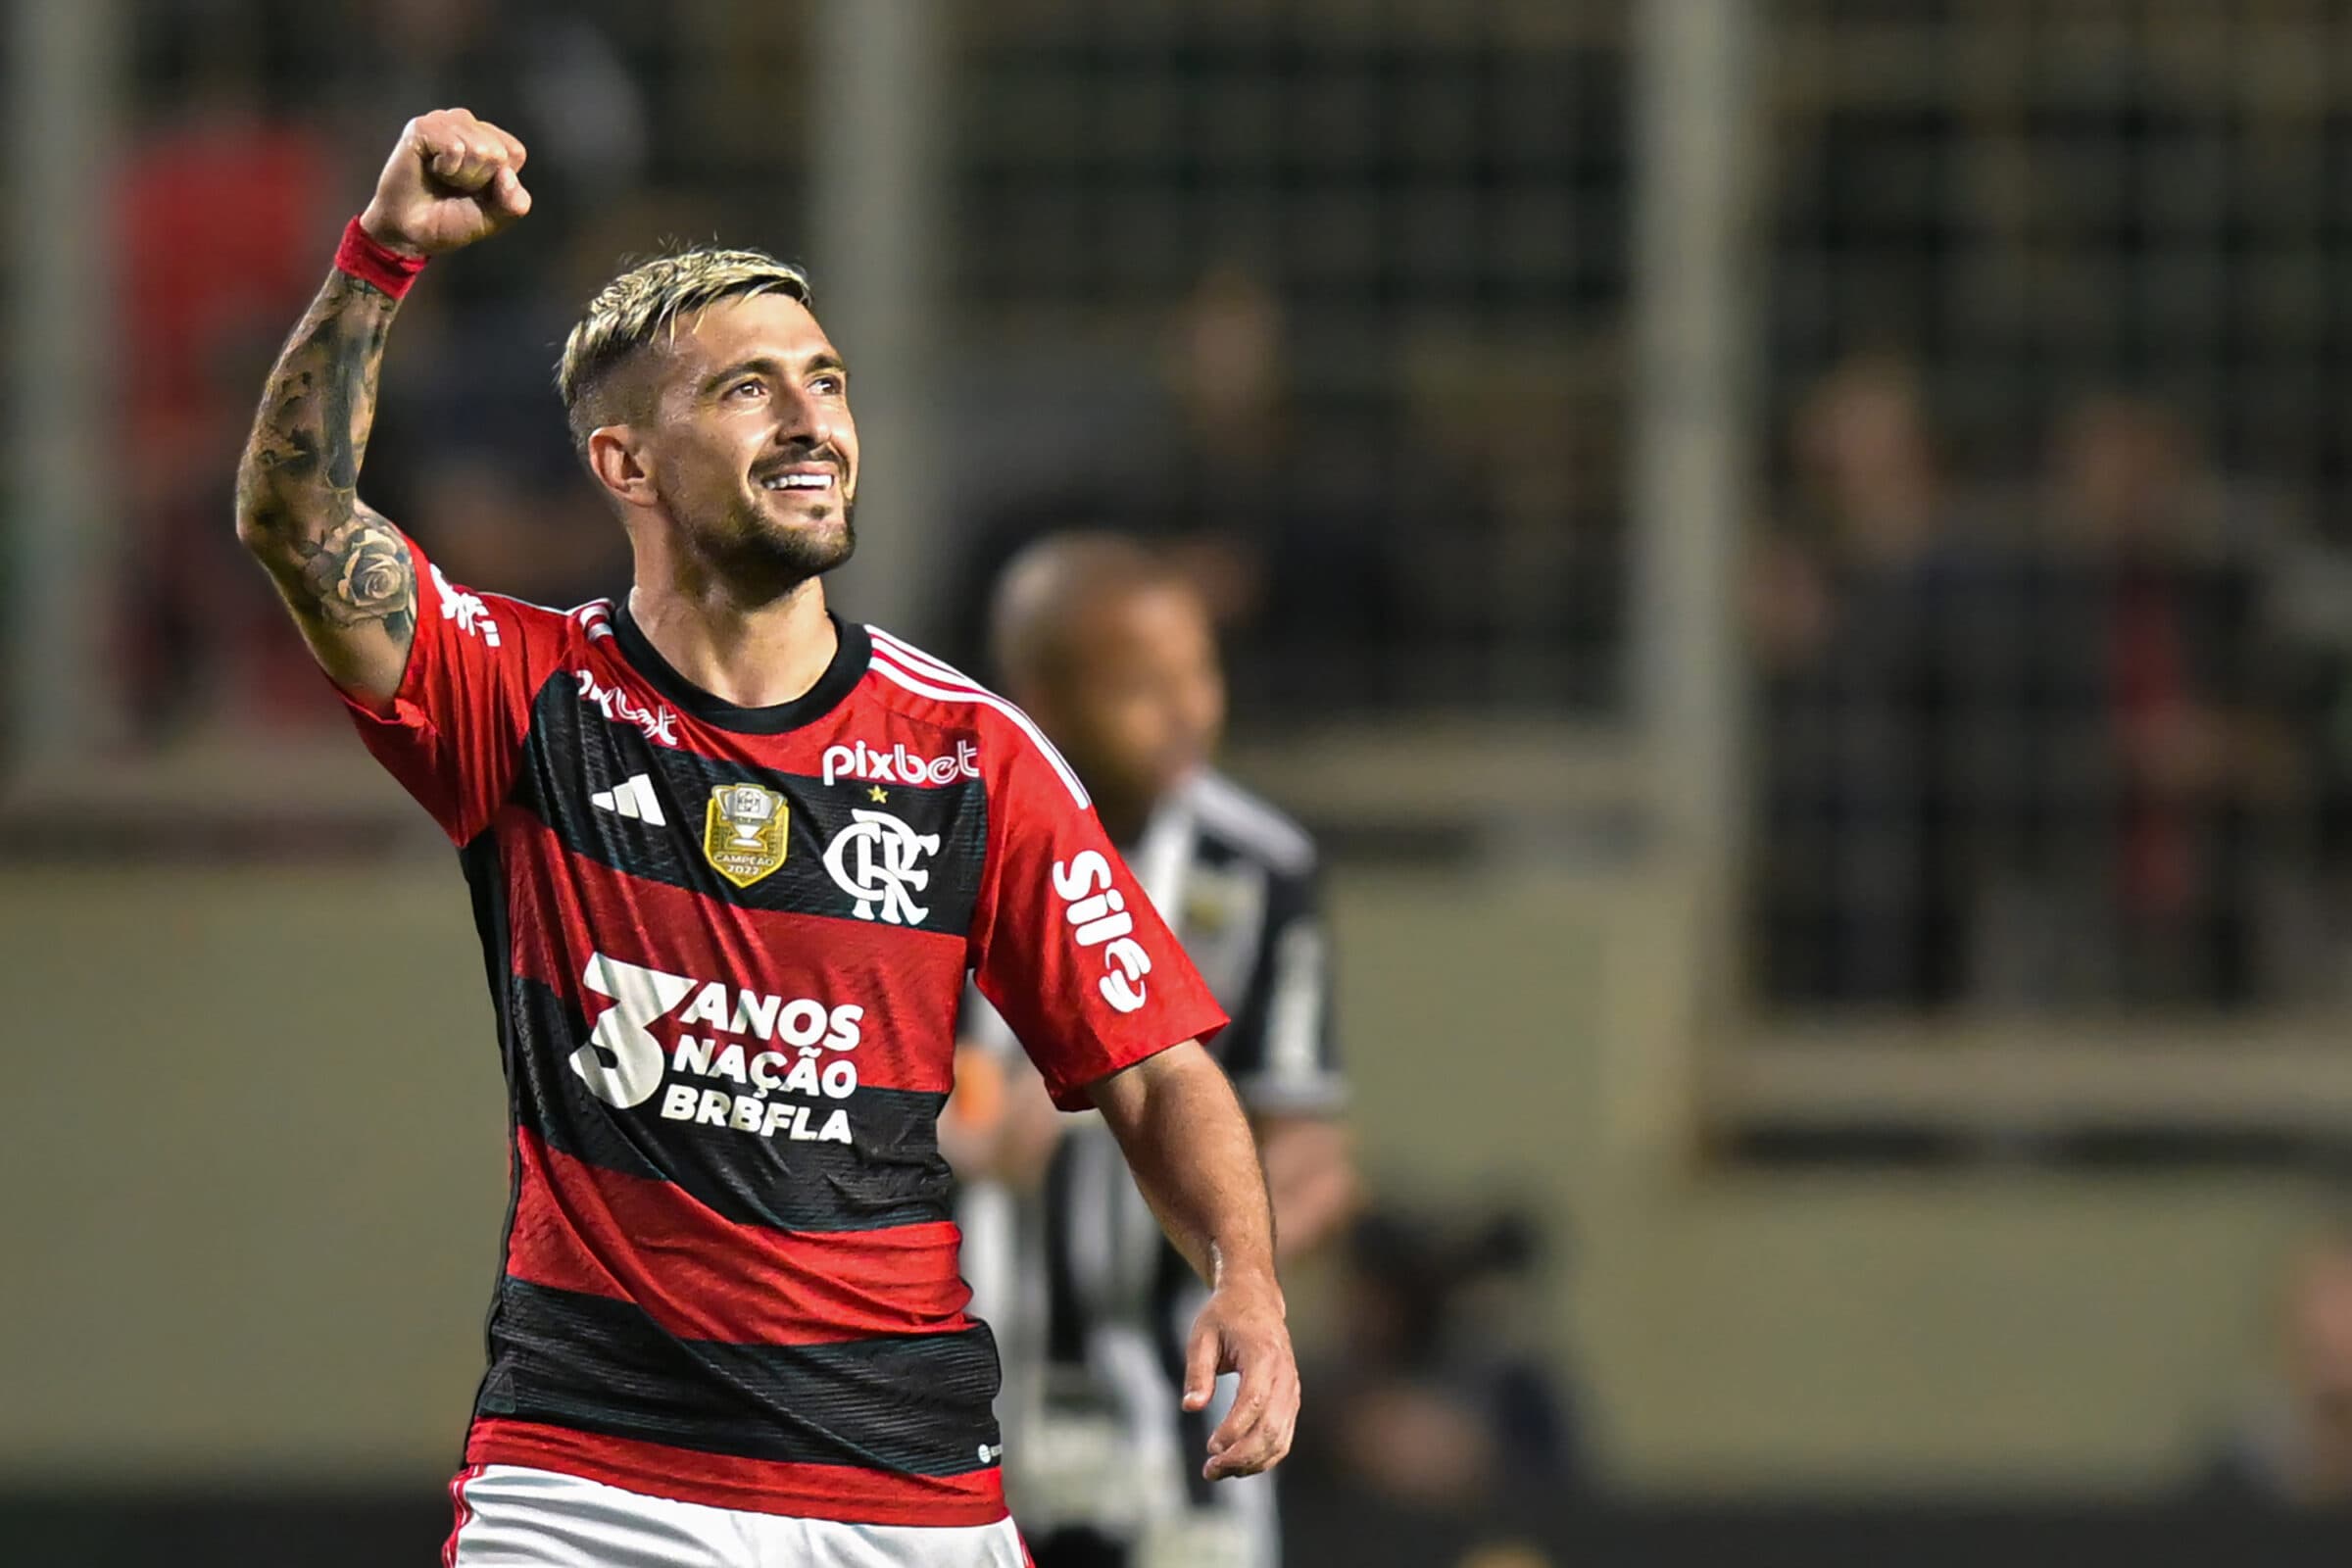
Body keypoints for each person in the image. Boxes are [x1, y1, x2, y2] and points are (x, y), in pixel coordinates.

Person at [232, 108, 1298, 1568]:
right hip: (592, 1486)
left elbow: (1158, 1066)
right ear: (626, 464)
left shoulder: (969, 753)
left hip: (904, 1494)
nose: (811, 420)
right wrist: (381, 256)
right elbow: (296, 521)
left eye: (827, 382)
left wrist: (1247, 1277)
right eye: (749, 389)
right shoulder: (527, 694)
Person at [943, 536, 1356, 1568]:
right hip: (954, 1400)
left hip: (1172, 1412)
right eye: (1140, 687)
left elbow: (1304, 1138)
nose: (1187, 712)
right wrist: (957, 1133)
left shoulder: (1257, 867)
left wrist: (1251, 1226)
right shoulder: (938, 838)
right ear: (1040, 700)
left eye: (1200, 675)